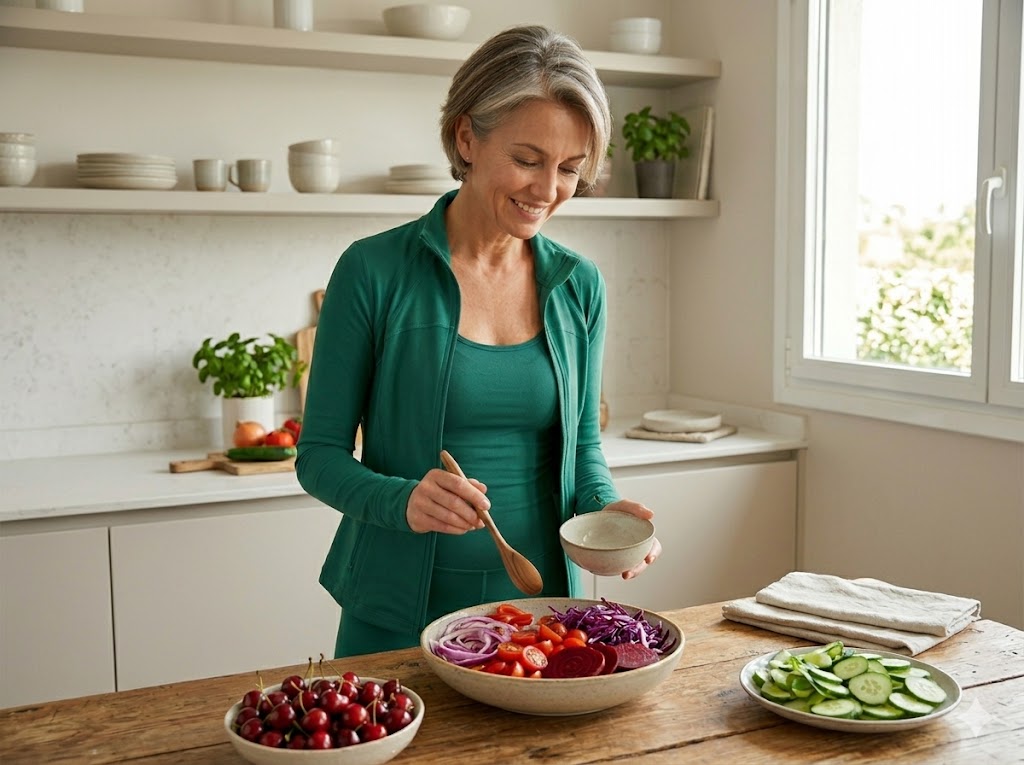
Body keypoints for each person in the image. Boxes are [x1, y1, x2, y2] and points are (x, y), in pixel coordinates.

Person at [296, 24, 662, 658]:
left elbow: (580, 447)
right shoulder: (372, 272)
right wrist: (401, 499)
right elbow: (319, 456)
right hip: (396, 617)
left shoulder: (579, 285)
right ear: (466, 136)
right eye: (526, 159)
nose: (547, 190)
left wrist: (608, 518)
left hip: (543, 614)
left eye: (570, 169)